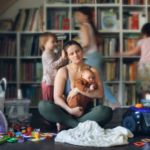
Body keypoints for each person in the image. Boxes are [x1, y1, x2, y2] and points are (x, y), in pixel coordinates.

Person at [38, 41, 113, 132]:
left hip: (85, 111)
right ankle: (77, 125)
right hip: (65, 112)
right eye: (71, 53)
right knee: (43, 105)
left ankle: (67, 125)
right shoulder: (62, 71)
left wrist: (78, 90)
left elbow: (100, 94)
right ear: (67, 56)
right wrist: (70, 111)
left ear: (82, 51)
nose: (75, 55)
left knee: (106, 111)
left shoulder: (92, 70)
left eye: (77, 51)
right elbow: (57, 98)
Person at [75, 7, 121, 110]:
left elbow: (86, 43)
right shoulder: (90, 26)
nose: (77, 17)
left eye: (78, 15)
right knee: (87, 80)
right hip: (95, 56)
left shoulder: (84, 26)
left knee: (97, 82)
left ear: (85, 16)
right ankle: (86, 103)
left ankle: (114, 102)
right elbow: (97, 40)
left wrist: (74, 49)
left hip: (92, 57)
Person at [115, 23, 150, 99]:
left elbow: (132, 52)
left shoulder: (142, 41)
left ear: (145, 32)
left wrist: (120, 54)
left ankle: (147, 107)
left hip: (144, 67)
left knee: (145, 89)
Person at [39, 32, 66, 126]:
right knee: (48, 102)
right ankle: (48, 119)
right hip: (48, 82)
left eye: (56, 42)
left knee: (55, 100)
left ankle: (54, 118)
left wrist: (63, 59)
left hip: (54, 82)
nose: (55, 43)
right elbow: (54, 65)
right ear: (45, 43)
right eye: (52, 41)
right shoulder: (46, 54)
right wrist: (62, 59)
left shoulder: (53, 54)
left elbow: (60, 64)